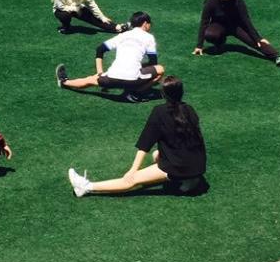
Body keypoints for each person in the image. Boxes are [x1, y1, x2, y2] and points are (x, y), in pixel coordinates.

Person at [67, 75, 207, 197]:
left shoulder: (159, 112)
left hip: (179, 166)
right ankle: (190, 180)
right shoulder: (189, 109)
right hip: (199, 165)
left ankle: (85, 187)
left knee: (131, 180)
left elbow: (145, 144)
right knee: (156, 155)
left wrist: (133, 171)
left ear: (163, 94)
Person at [56, 11, 164, 103]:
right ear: (145, 23)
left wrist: (100, 72)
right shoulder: (148, 37)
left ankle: (64, 82)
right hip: (133, 80)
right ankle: (135, 93)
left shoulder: (123, 35)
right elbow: (153, 62)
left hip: (111, 78)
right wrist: (141, 66)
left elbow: (100, 49)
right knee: (160, 69)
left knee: (89, 80)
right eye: (150, 24)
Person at [193, 0, 280, 66]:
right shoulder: (211, 1)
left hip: (236, 27)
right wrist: (199, 46)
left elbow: (246, 20)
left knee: (255, 42)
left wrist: (257, 38)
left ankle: (276, 56)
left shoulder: (238, 0)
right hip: (219, 25)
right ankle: (219, 43)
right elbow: (204, 23)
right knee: (210, 34)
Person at [51, 0, 126, 34]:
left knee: (94, 18)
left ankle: (117, 27)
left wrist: (102, 17)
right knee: (64, 16)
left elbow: (92, 5)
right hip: (62, 10)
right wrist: (73, 8)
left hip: (78, 8)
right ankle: (66, 27)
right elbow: (60, 6)